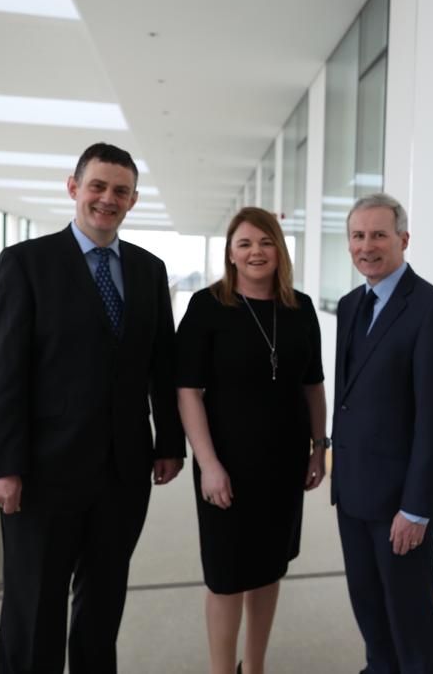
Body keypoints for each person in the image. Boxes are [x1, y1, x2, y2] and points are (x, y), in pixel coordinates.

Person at [0, 142, 185, 673]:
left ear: (133, 200)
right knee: (35, 606)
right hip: (42, 473)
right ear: (74, 188)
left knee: (103, 603)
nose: (107, 199)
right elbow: (2, 372)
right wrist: (2, 466)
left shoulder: (148, 269)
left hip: (123, 472)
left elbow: (162, 364)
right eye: (97, 186)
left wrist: (168, 443)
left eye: (120, 191)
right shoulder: (26, 263)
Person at [175, 207, 327, 674]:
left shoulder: (300, 308)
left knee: (268, 570)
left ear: (280, 249)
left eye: (266, 242)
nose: (256, 252)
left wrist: (319, 448)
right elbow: (187, 391)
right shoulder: (207, 306)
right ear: (230, 253)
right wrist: (208, 465)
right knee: (226, 578)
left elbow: (313, 386)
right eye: (244, 243)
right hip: (226, 464)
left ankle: (254, 667)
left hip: (284, 464)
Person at [331, 193, 433, 674]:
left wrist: (416, 508)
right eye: (358, 236)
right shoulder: (351, 305)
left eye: (379, 235)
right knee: (368, 611)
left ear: (403, 239)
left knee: (409, 622)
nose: (366, 246)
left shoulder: (432, 310)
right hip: (352, 494)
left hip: (400, 506)